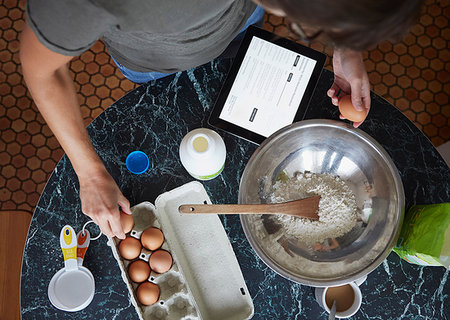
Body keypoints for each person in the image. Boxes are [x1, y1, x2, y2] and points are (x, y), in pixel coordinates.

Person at [19, 0, 423, 239]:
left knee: (244, 36)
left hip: (241, 32)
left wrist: (346, 46)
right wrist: (90, 176)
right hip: (153, 63)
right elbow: (41, 69)